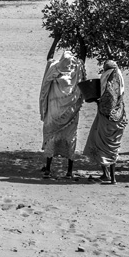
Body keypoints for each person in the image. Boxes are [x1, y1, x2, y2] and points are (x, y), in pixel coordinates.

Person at [39, 45, 85, 179]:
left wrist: (55, 40)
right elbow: (83, 57)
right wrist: (81, 38)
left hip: (54, 114)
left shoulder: (54, 69)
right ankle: (69, 171)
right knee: (70, 138)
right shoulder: (76, 71)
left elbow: (49, 58)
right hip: (70, 114)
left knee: (51, 139)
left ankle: (48, 169)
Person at [82, 59, 127, 184]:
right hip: (119, 116)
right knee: (113, 147)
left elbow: (108, 101)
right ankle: (110, 176)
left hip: (106, 118)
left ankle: (109, 175)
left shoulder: (109, 84)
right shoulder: (119, 81)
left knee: (103, 145)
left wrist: (98, 101)